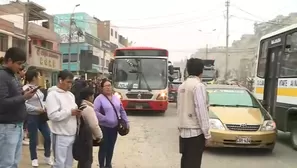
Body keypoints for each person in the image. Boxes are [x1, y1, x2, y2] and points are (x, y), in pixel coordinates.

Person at [0, 47, 36, 168]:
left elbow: (15, 96)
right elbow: (2, 102)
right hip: (7, 127)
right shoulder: (2, 76)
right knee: (6, 163)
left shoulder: (12, 75)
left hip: (16, 125)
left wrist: (24, 94)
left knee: (14, 163)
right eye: (19, 64)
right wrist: (23, 98)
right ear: (9, 61)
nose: (21, 67)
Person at [177, 58, 211, 168]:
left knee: (185, 163)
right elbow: (201, 111)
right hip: (195, 133)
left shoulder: (182, 86)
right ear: (201, 71)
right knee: (194, 164)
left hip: (183, 132)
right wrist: (207, 134)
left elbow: (179, 109)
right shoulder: (198, 86)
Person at [46, 70, 82, 168]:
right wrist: (70, 112)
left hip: (72, 134)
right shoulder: (53, 95)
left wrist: (77, 114)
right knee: (59, 163)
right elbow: (52, 115)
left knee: (69, 163)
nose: (70, 85)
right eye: (68, 82)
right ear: (60, 80)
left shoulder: (71, 95)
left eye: (71, 82)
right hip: (60, 135)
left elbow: (72, 111)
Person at [94, 79, 129, 168]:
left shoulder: (116, 98)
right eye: (106, 86)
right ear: (102, 88)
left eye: (109, 85)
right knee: (103, 147)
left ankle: (108, 164)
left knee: (111, 147)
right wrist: (105, 118)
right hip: (104, 127)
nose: (108, 88)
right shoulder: (99, 99)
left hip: (114, 127)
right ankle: (102, 165)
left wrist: (126, 121)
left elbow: (121, 110)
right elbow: (95, 112)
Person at [23, 70, 53, 167]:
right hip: (32, 116)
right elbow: (24, 104)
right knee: (33, 138)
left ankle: (47, 156)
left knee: (48, 136)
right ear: (34, 77)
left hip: (41, 116)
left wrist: (44, 107)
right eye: (38, 76)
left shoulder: (38, 89)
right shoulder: (25, 88)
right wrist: (37, 109)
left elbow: (41, 100)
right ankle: (34, 158)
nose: (40, 78)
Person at [75, 87, 103, 168]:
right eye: (92, 95)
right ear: (89, 97)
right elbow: (94, 125)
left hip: (80, 137)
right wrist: (99, 136)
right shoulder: (88, 109)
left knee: (82, 160)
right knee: (87, 160)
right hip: (87, 138)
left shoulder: (81, 106)